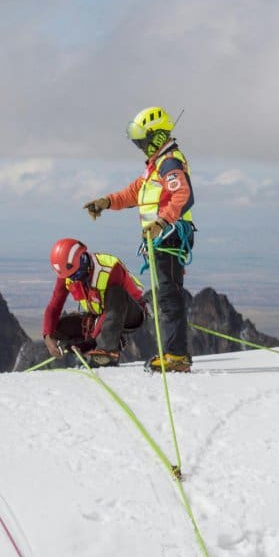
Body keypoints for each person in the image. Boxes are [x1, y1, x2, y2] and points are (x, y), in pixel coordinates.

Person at [83, 106, 196, 373]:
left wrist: (161, 221)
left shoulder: (169, 163)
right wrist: (107, 202)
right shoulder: (156, 166)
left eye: (142, 140)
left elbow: (183, 196)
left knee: (168, 294)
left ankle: (176, 356)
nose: (140, 146)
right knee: (166, 293)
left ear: (155, 136)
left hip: (169, 236)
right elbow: (134, 193)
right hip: (161, 237)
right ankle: (174, 353)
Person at [42, 238, 147, 368]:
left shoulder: (110, 269)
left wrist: (91, 342)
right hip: (99, 316)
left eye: (75, 274)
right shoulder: (66, 274)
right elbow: (54, 306)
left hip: (131, 313)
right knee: (57, 329)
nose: (73, 279)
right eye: (70, 277)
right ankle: (103, 342)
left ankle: (106, 353)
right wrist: (48, 337)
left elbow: (111, 310)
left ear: (81, 260)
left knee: (116, 293)